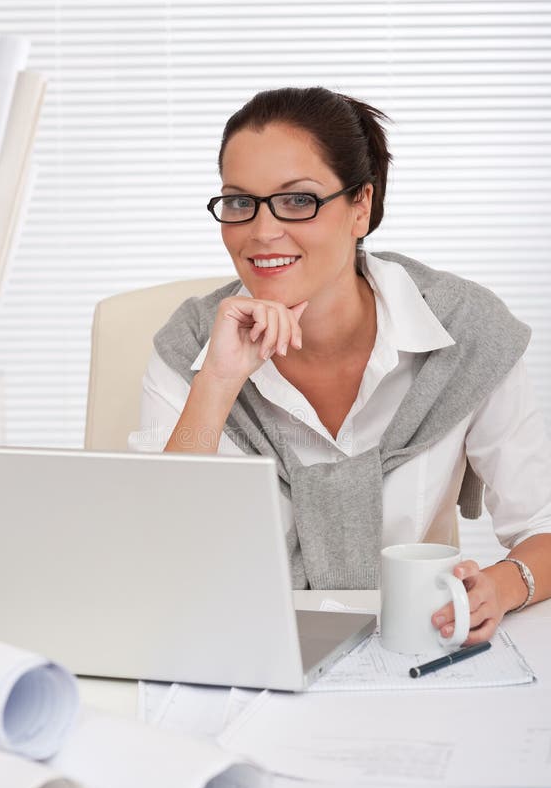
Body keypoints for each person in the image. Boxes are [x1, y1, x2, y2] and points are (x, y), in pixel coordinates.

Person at [131, 86, 551, 645]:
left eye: (298, 200)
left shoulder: (465, 331)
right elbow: (156, 557)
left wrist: (502, 585)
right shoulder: (190, 345)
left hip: (414, 645)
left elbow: (542, 526)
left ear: (361, 207)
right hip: (245, 649)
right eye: (239, 202)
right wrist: (217, 382)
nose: (262, 231)